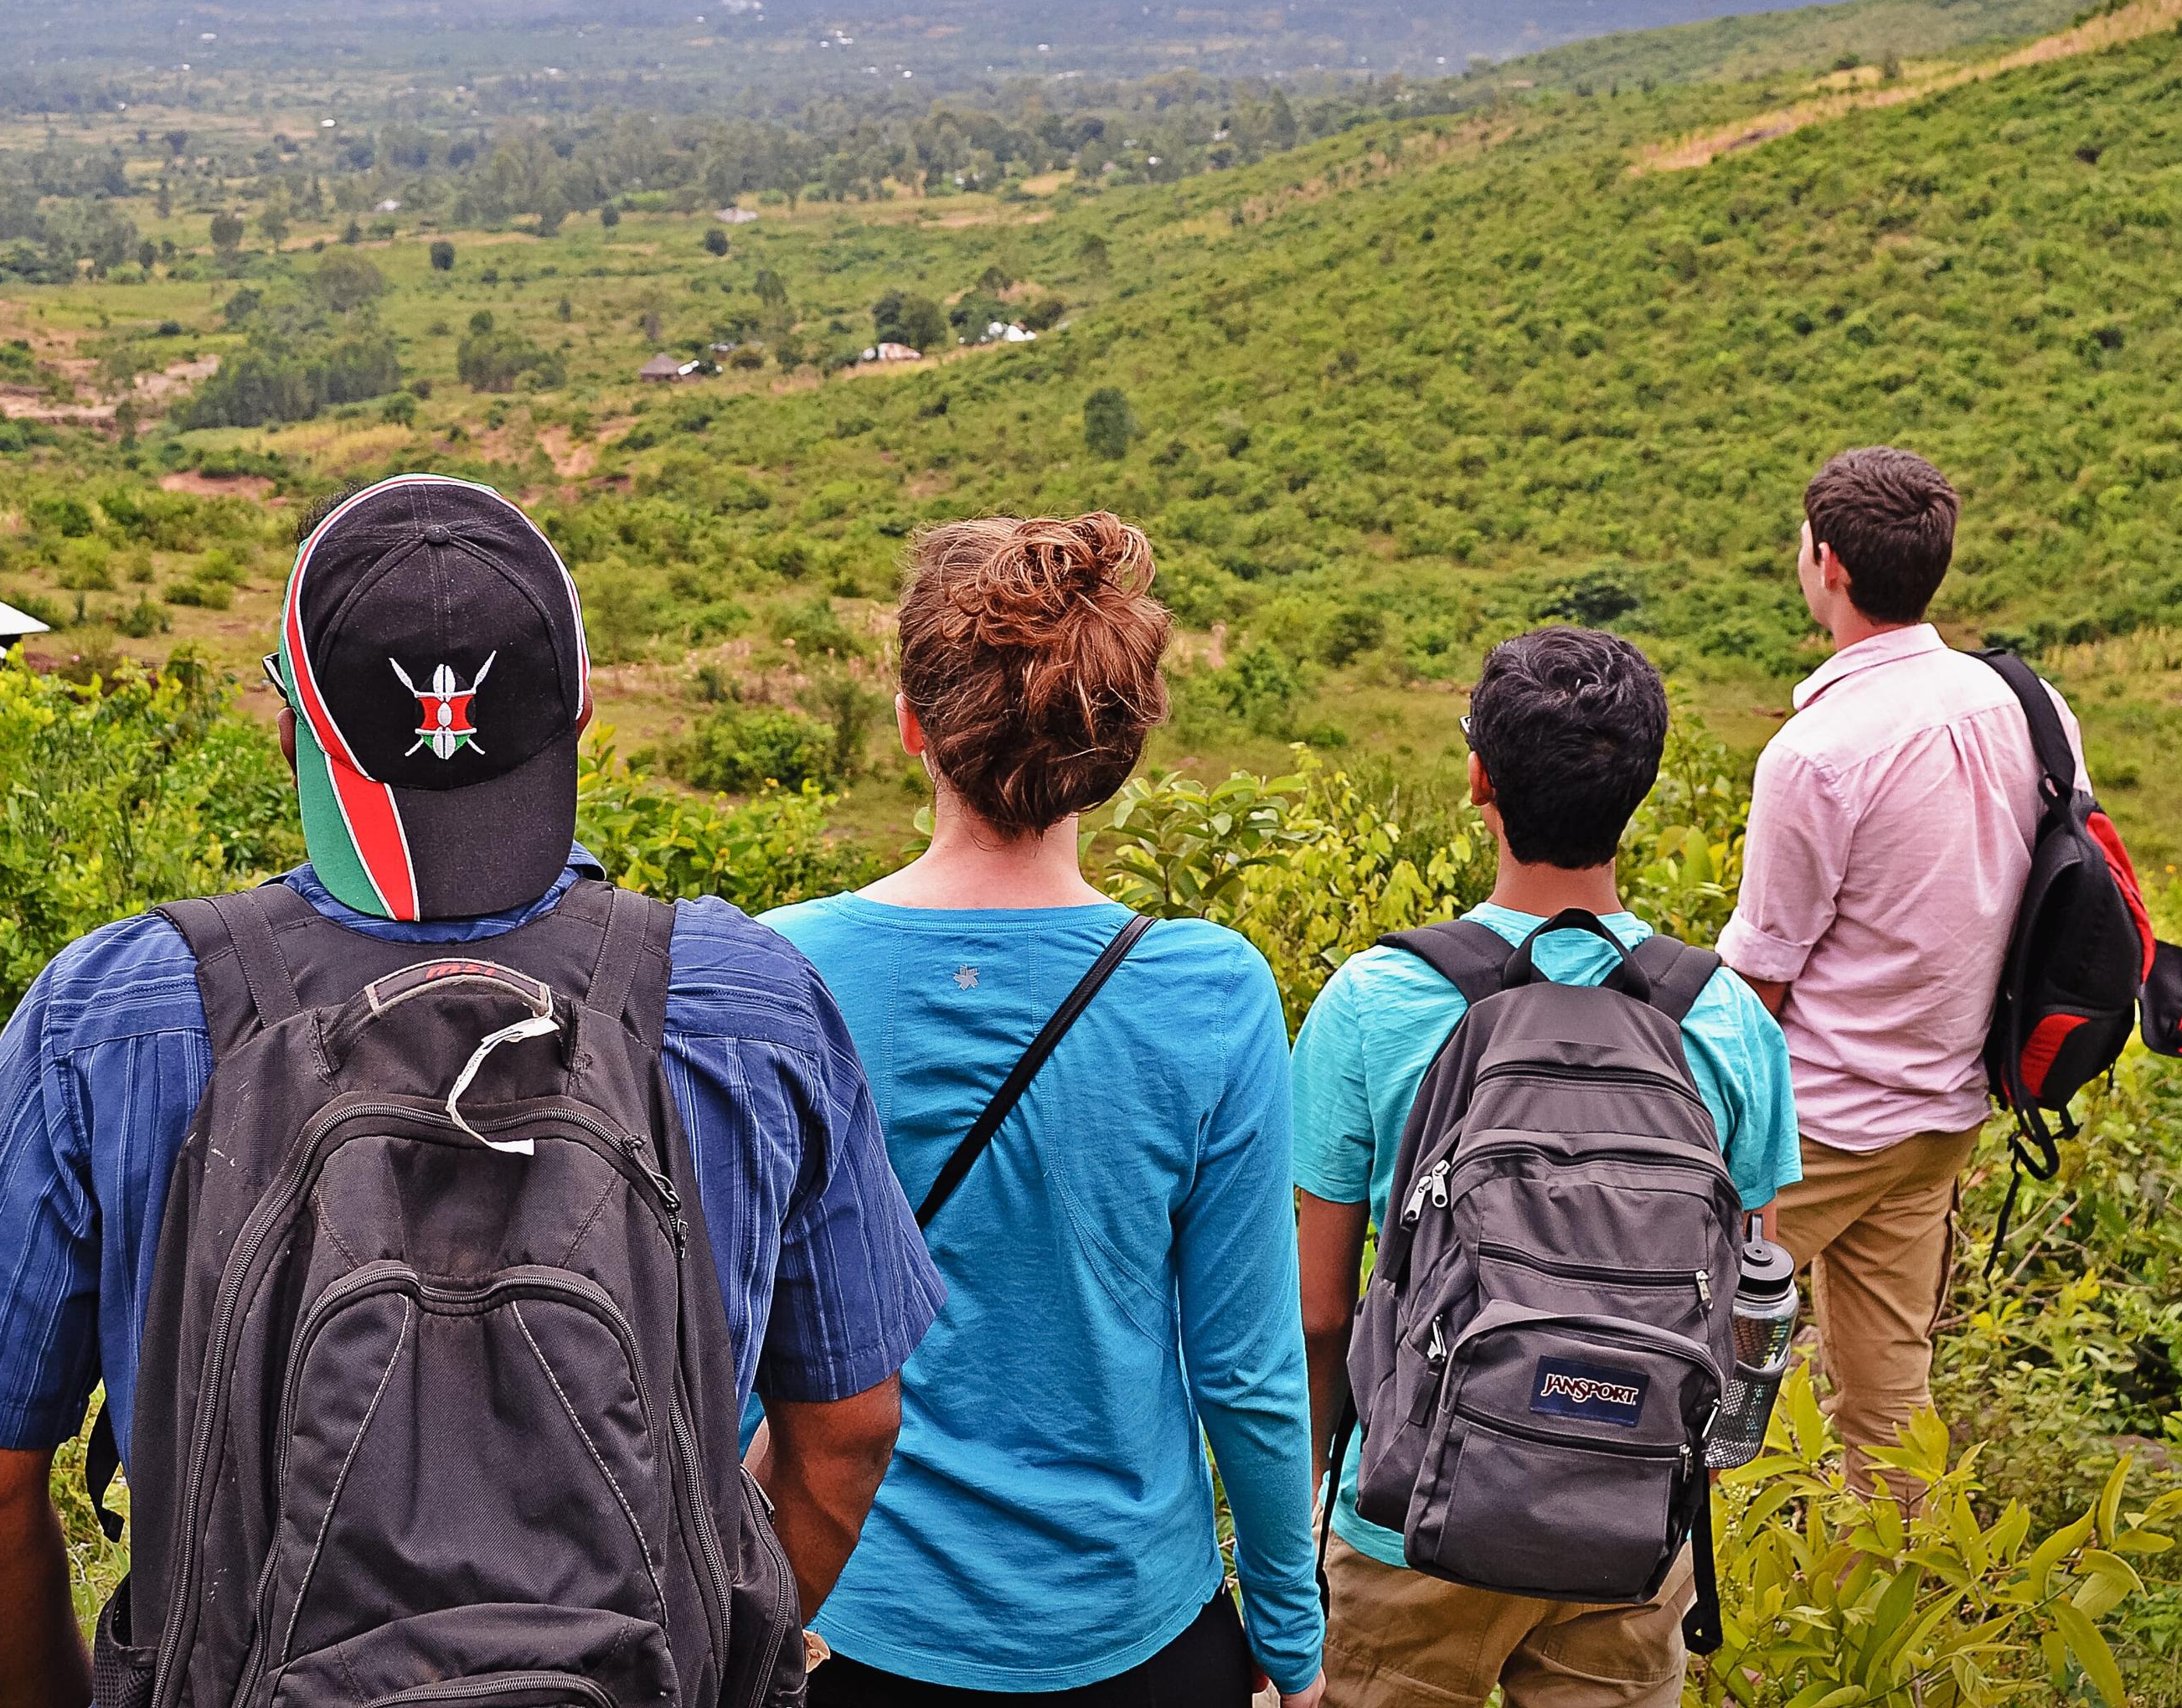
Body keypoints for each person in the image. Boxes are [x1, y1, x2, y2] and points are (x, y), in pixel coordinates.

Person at [0, 472, 944, 1708]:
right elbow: (845, 1438)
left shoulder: (109, 1018)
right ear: (580, 710)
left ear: (293, 727)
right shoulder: (752, 1006)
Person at [762, 513, 1326, 1708]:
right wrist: (1288, 1629)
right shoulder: (1210, 993)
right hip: (1143, 1625)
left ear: (914, 726)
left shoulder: (784, 971)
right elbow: (1248, 1371)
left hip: (858, 1620)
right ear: (1112, 756)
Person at [1293, 626, 1800, 1708]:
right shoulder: (1723, 1018)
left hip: (1405, 1519)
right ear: (1642, 791)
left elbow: (1319, 1308)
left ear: (1479, 778)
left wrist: (1310, 1501)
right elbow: (1743, 1281)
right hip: (1627, 1520)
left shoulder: (1376, 1002)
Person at [1715, 445, 2082, 1478]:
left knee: (1717, 1375)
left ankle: (1698, 1594)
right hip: (1945, 1114)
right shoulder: (2033, 706)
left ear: (1826, 564)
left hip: (1817, 1132)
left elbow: (1759, 988)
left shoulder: (1816, 753)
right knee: (1888, 1407)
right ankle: (1891, 1618)